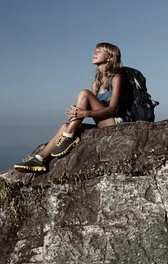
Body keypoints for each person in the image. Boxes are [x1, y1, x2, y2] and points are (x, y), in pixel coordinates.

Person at [14, 42, 130, 173]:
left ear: (110, 57)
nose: (95, 53)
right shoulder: (96, 83)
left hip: (116, 122)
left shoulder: (116, 78)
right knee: (65, 126)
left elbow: (112, 109)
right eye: (95, 50)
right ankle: (39, 159)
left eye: (99, 51)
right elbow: (95, 108)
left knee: (84, 93)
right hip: (103, 122)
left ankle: (68, 136)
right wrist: (78, 111)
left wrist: (84, 113)